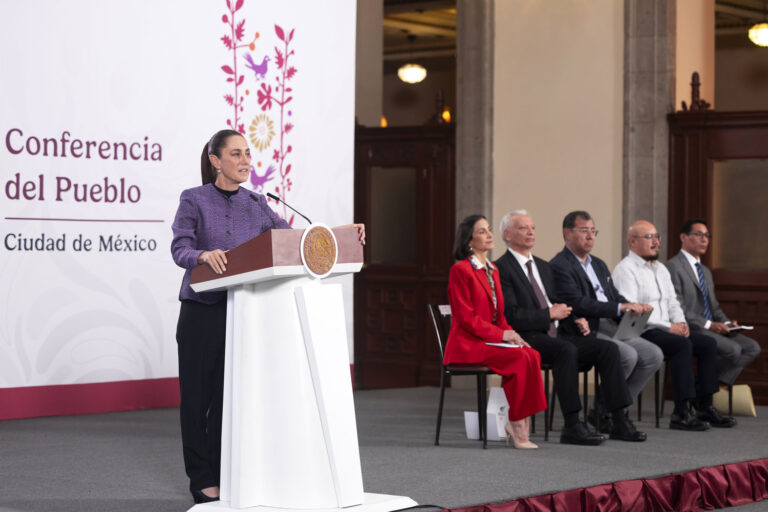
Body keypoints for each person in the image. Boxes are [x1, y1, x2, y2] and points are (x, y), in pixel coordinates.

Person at [171, 129, 365, 503]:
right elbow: (180, 248)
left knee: (228, 399)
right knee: (197, 400)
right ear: (215, 161)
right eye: (236, 154)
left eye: (248, 153)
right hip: (202, 311)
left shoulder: (258, 203)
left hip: (244, 313)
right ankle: (200, 476)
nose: (245, 160)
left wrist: (342, 234)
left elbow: (293, 241)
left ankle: (224, 472)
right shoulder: (194, 199)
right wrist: (203, 256)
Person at [494, 210, 645, 445]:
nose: (531, 232)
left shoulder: (543, 266)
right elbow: (512, 315)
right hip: (526, 336)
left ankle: (617, 419)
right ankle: (572, 424)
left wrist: (574, 318)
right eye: (523, 228)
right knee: (566, 350)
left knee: (608, 349)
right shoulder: (500, 268)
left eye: (532, 227)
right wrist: (548, 315)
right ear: (507, 235)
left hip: (557, 333)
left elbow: (557, 303)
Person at [612, 220, 736, 430]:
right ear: (632, 242)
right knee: (682, 345)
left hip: (667, 328)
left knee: (707, 344)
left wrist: (681, 323)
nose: (656, 242)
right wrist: (669, 327)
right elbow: (633, 312)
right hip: (643, 330)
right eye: (649, 237)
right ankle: (681, 412)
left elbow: (673, 302)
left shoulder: (660, 268)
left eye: (657, 237)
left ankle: (704, 406)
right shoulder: (625, 270)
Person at [550, 211, 663, 432]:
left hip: (612, 323)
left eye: (594, 231)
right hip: (586, 326)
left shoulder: (598, 264)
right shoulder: (560, 265)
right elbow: (579, 303)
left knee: (653, 355)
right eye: (584, 231)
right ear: (567, 233)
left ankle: (603, 410)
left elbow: (612, 295)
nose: (590, 236)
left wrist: (631, 305)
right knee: (627, 355)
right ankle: (611, 414)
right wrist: (619, 308)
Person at [445, 214, 547, 449]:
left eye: (489, 229)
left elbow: (500, 317)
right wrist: (502, 336)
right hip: (467, 344)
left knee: (531, 354)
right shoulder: (460, 270)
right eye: (482, 231)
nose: (490, 235)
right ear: (469, 241)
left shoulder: (493, 270)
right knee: (519, 359)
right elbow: (466, 318)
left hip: (488, 341)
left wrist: (514, 335)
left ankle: (522, 419)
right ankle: (517, 424)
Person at [665, 219, 760, 388]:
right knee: (733, 349)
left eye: (707, 236)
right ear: (683, 237)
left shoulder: (705, 271)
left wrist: (727, 323)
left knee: (752, 348)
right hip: (690, 327)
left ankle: (703, 386)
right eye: (698, 234)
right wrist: (710, 325)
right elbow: (678, 308)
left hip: (712, 327)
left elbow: (714, 307)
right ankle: (704, 390)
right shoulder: (673, 267)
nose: (704, 240)